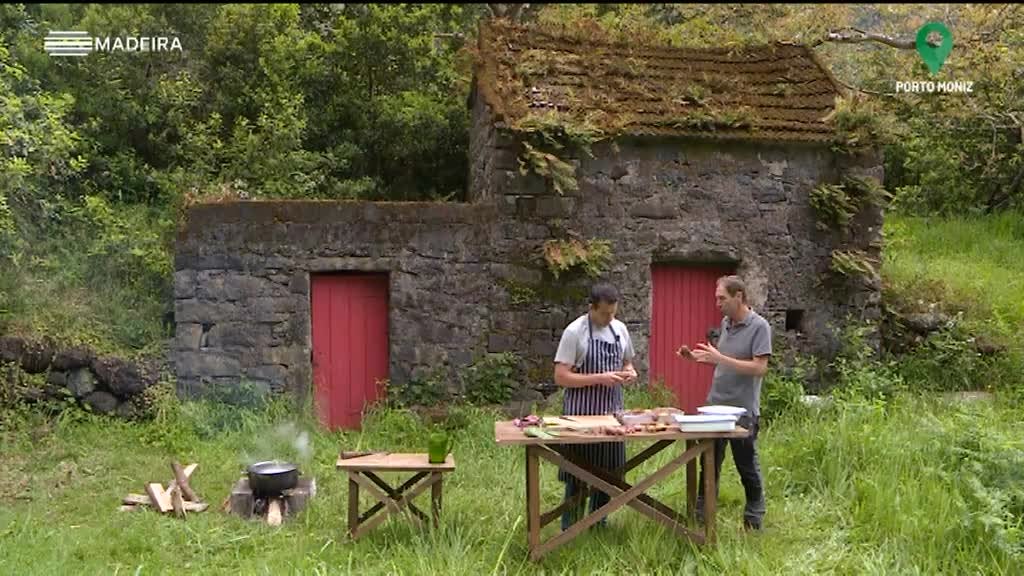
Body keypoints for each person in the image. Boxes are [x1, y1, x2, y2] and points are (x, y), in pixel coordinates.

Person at [679, 275, 771, 530]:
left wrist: (720, 357)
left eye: (722, 298)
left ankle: (754, 516)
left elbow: (759, 368)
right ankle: (702, 513)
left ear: (738, 296)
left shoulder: (759, 326)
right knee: (708, 462)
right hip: (715, 406)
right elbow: (722, 360)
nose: (717, 302)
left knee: (746, 466)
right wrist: (697, 358)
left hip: (742, 411)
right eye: (716, 298)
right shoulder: (725, 323)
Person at [553, 282, 637, 530]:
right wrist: (599, 378)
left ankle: (599, 524)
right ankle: (570, 527)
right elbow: (561, 376)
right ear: (591, 307)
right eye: (604, 313)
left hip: (612, 414)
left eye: (613, 313)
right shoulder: (574, 332)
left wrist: (629, 373)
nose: (609, 318)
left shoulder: (619, 330)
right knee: (578, 473)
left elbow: (628, 363)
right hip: (581, 414)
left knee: (609, 473)